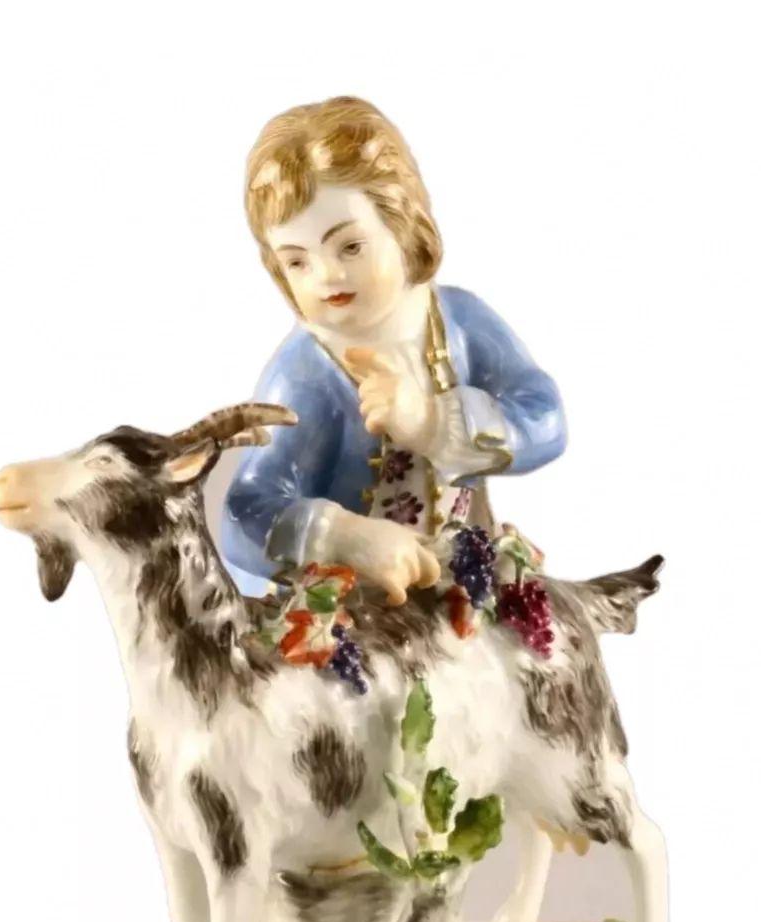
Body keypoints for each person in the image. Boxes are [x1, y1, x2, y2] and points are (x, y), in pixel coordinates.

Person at [220, 96, 567, 602]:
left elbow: (546, 418)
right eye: (297, 262)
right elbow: (243, 513)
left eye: (350, 247)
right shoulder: (303, 373)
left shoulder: (459, 320)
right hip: (352, 607)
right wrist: (345, 538)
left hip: (461, 577)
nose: (327, 276)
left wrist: (432, 423)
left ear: (402, 225)